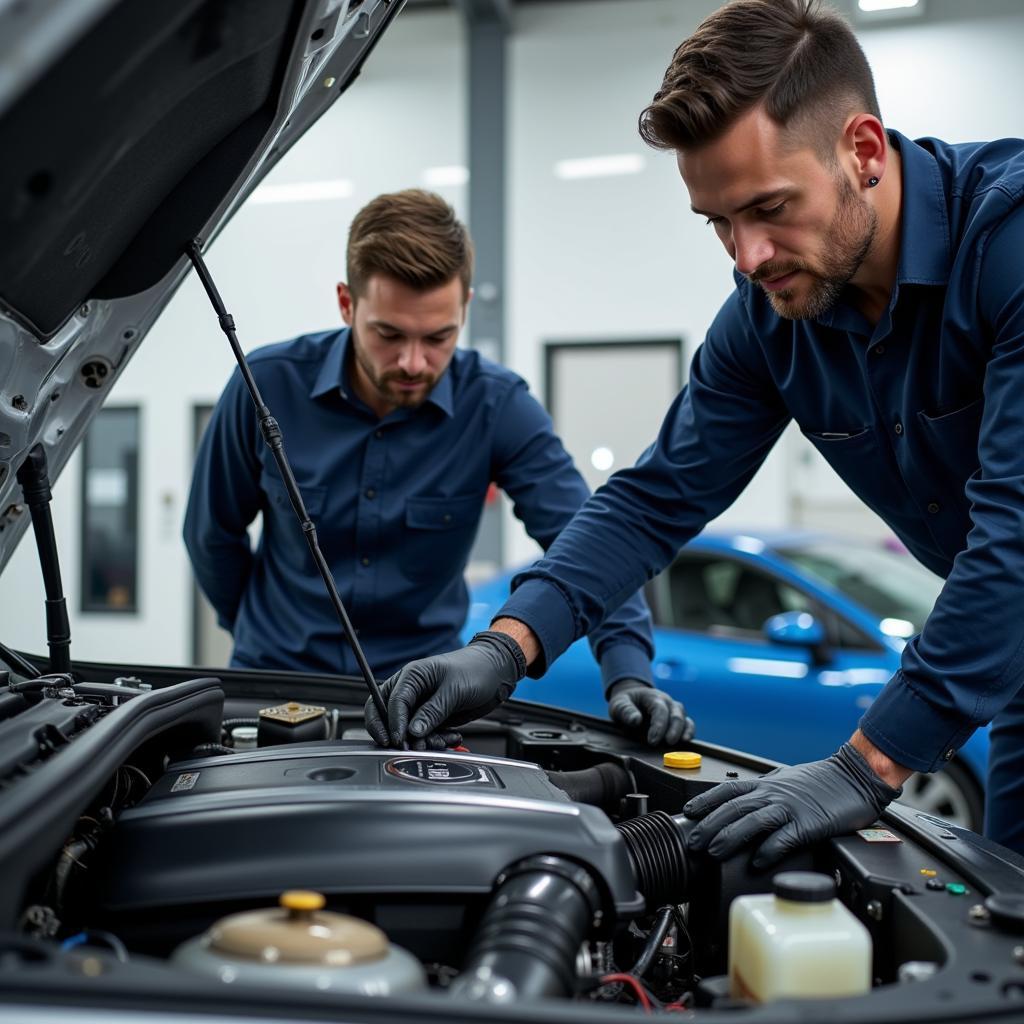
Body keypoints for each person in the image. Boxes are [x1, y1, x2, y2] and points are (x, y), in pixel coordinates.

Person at [366, 0, 1024, 858]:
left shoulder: (1007, 245)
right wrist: (503, 647)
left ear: (862, 151)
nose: (746, 257)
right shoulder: (769, 318)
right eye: (719, 222)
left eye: (769, 208)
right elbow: (654, 499)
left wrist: (867, 766)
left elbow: (1014, 537)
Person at [184, 189, 689, 749]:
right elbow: (211, 537)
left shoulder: (497, 406)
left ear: (465, 308)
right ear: (347, 304)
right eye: (389, 334)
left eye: (438, 337)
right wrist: (257, 631)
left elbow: (585, 541)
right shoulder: (264, 385)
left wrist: (627, 670)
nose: (413, 362)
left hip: (426, 704)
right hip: (276, 686)